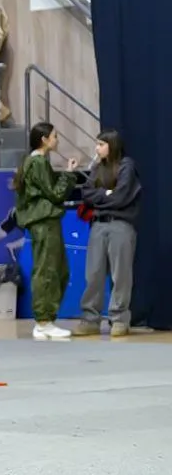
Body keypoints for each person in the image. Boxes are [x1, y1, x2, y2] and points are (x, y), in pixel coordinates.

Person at [12, 121, 77, 341]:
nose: (57, 140)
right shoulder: (38, 163)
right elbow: (55, 194)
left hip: (46, 222)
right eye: (55, 136)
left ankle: (46, 320)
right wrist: (68, 174)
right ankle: (43, 321)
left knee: (58, 269)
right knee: (47, 270)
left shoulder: (33, 162)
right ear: (44, 139)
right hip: (44, 222)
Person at [75, 129, 141, 338]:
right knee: (93, 273)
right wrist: (106, 193)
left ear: (112, 146)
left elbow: (121, 197)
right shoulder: (97, 168)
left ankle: (119, 318)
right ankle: (90, 318)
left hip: (120, 225)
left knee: (120, 275)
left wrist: (101, 198)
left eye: (101, 144)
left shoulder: (126, 166)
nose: (97, 148)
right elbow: (87, 194)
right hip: (98, 225)